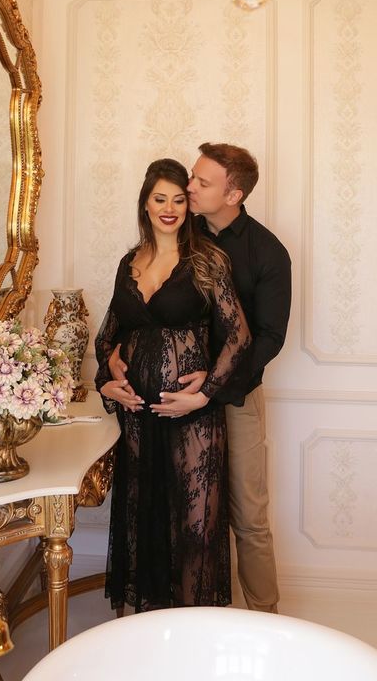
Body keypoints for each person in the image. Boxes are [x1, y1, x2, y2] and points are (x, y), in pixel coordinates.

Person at [109, 143, 291, 613]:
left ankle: (265, 618)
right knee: (177, 511)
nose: (188, 188)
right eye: (191, 177)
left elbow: (268, 338)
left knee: (246, 515)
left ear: (233, 195)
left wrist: (211, 386)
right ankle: (183, 613)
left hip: (234, 395)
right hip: (172, 404)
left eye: (200, 183)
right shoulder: (180, 233)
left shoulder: (267, 252)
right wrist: (113, 360)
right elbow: (136, 317)